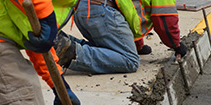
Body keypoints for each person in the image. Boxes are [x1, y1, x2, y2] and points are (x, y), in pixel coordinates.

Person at [54, 0, 187, 74]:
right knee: (130, 61)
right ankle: (70, 52)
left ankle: (61, 43)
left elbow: (132, 11)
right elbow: (165, 20)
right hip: (103, 11)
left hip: (83, 10)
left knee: (106, 50)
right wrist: (176, 45)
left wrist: (137, 46)